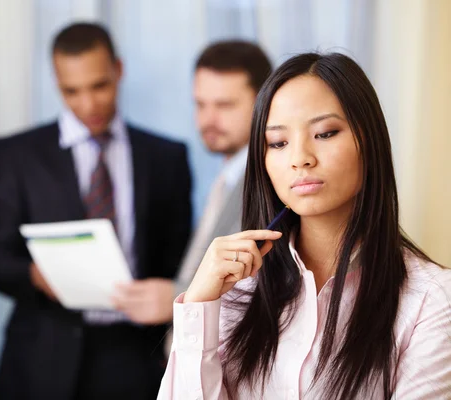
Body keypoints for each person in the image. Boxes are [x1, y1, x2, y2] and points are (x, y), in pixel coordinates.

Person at [157, 52, 451, 399]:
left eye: (325, 133)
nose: (300, 158)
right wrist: (199, 303)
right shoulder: (236, 290)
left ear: (368, 142)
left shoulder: (431, 299)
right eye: (278, 143)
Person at [0, 22, 191, 400]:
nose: (88, 104)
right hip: (41, 355)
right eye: (71, 91)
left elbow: (179, 263)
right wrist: (35, 275)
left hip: (136, 354)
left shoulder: (166, 157)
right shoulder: (17, 154)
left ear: (119, 70)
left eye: (99, 86)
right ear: (56, 82)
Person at [113, 41, 272, 328]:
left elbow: (262, 288)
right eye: (200, 104)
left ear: (264, 101)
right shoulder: (227, 176)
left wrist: (176, 297)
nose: (208, 120)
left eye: (224, 105)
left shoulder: (270, 181)